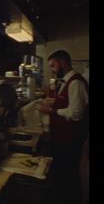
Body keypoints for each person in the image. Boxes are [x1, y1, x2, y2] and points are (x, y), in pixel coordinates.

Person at [37, 50, 88, 204]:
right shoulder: (66, 81)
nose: (52, 69)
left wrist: (51, 110)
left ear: (64, 62)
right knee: (63, 174)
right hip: (62, 137)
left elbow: (77, 113)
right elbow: (68, 103)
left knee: (69, 176)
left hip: (70, 139)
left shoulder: (75, 82)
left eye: (53, 65)